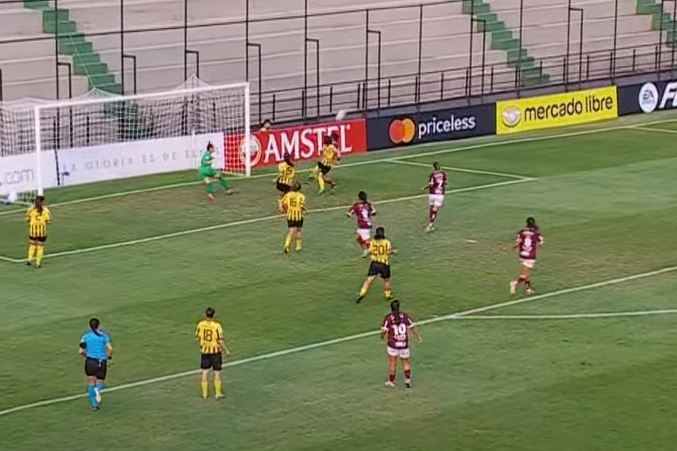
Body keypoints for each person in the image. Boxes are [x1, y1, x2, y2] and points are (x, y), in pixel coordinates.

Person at [381, 299, 422, 388]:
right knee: (406, 362)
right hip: (403, 344)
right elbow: (412, 327)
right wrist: (418, 337)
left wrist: (382, 336)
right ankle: (407, 380)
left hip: (393, 344)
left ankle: (391, 382)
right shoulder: (405, 316)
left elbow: (384, 330)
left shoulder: (388, 318)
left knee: (393, 363)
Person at [195, 307, 230, 400]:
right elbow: (220, 340)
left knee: (204, 372)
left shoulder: (200, 325)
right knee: (217, 372)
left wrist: (202, 346)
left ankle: (205, 394)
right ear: (213, 315)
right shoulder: (217, 326)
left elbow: (197, 338)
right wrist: (226, 350)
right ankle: (218, 393)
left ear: (205, 314)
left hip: (205, 352)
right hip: (215, 352)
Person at [79, 318, 113, 410]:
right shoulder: (104, 336)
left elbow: (81, 351)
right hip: (101, 362)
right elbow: (110, 349)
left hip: (90, 362)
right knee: (100, 382)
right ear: (99, 325)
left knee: (91, 382)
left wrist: (86, 356)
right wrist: (109, 358)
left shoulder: (85, 337)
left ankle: (94, 404)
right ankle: (97, 390)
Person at [356, 226, 396, 303]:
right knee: (386, 280)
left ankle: (362, 294)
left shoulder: (373, 242)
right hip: (384, 264)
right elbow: (388, 252)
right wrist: (393, 251)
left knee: (368, 280)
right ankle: (387, 295)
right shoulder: (387, 242)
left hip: (374, 263)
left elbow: (370, 251)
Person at [510, 217, 544, 295]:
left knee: (526, 272)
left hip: (522, 254)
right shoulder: (536, 232)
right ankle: (515, 283)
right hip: (530, 255)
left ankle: (528, 288)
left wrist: (514, 246)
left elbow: (518, 242)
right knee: (525, 274)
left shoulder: (521, 232)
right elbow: (541, 242)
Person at [347, 191, 376, 258]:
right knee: (359, 239)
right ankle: (366, 250)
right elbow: (374, 213)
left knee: (367, 241)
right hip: (368, 224)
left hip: (362, 225)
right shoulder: (369, 204)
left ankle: (375, 251)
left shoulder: (356, 205)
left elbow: (349, 214)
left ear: (359, 197)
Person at [279, 182, 306, 254]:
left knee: (291, 231)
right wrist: (305, 210)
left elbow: (281, 201)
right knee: (298, 230)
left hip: (290, 215)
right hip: (299, 216)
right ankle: (298, 246)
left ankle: (286, 245)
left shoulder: (288, 194)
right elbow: (302, 206)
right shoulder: (302, 196)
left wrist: (282, 208)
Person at [26, 195, 51, 268]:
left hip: (32, 231)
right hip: (42, 232)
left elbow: (27, 219)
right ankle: (38, 263)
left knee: (32, 245)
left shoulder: (30, 209)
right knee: (40, 247)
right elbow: (48, 221)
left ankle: (29, 259)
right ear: (42, 202)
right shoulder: (45, 210)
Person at [424, 162, 447, 233]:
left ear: (433, 167)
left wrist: (425, 187)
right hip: (440, 194)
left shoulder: (432, 174)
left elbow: (431, 184)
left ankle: (431, 222)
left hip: (432, 194)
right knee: (435, 209)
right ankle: (431, 223)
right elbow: (445, 182)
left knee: (431, 207)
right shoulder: (443, 174)